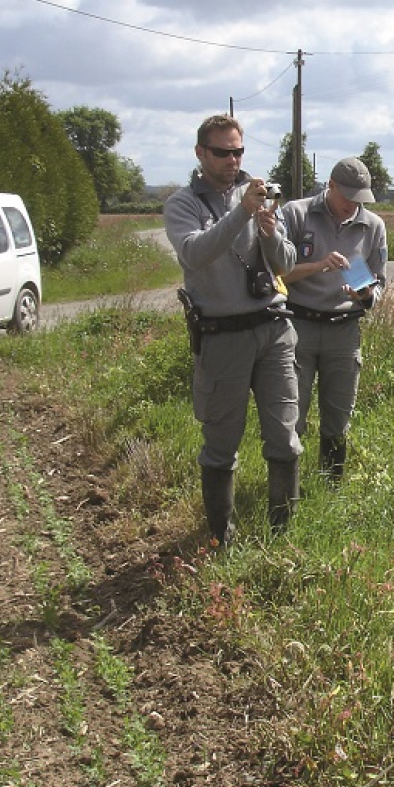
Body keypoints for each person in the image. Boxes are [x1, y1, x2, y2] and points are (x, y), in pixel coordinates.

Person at [163, 114, 302, 546]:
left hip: (273, 329)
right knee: (221, 442)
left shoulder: (256, 197)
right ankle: (220, 538)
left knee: (285, 435)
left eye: (238, 150)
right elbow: (195, 254)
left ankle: (282, 537)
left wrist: (269, 233)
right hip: (222, 335)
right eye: (222, 151)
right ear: (201, 153)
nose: (232, 159)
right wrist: (242, 213)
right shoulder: (183, 204)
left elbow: (287, 264)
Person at [278, 156, 388, 484]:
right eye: (347, 196)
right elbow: (277, 273)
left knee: (338, 418)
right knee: (291, 415)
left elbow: (378, 282)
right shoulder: (296, 214)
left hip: (344, 331)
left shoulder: (373, 226)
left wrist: (365, 295)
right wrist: (319, 266)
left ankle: (330, 489)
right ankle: (288, 491)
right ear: (331, 185)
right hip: (299, 326)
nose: (353, 204)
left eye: (360, 198)